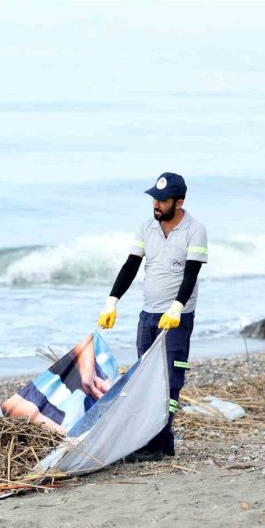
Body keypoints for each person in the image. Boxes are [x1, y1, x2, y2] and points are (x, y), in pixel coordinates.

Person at [97, 172, 208, 461]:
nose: (156, 205)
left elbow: (191, 273)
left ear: (179, 202)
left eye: (162, 200)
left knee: (170, 380)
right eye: (154, 199)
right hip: (148, 316)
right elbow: (131, 265)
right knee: (144, 380)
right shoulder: (147, 227)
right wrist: (111, 302)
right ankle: (156, 442)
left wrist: (177, 307)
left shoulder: (195, 229)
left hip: (176, 318)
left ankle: (158, 444)